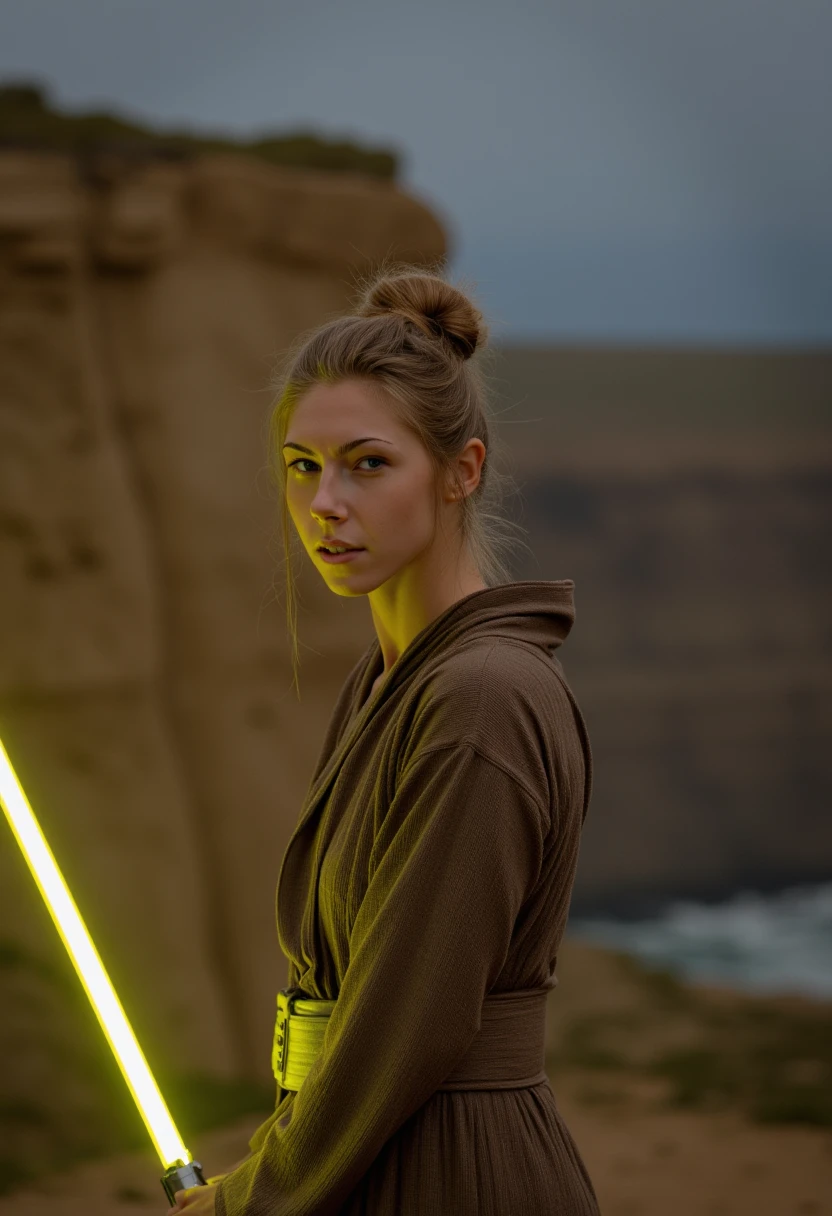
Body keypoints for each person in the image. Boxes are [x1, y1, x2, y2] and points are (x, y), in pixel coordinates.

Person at [169, 262, 601, 1215]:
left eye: (368, 463)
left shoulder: (480, 696)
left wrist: (250, 1203)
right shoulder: (397, 680)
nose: (326, 503)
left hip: (452, 1173)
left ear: (461, 471)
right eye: (302, 465)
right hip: (374, 1156)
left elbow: (406, 1021)